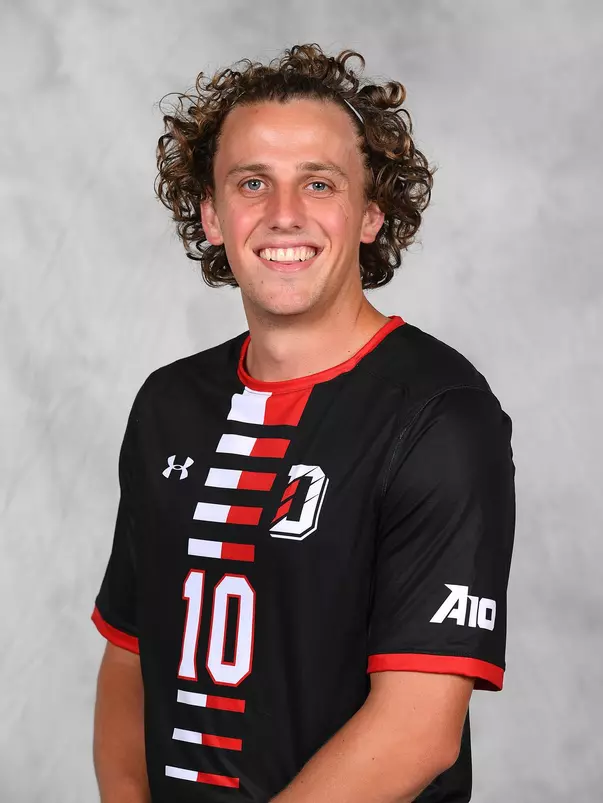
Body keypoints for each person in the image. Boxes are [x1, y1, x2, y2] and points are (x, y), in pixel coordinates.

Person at [91, 43, 516, 803]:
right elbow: (129, 657)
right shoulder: (167, 405)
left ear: (370, 213)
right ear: (212, 215)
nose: (283, 214)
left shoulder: (439, 414)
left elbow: (416, 728)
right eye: (252, 182)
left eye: (319, 183)